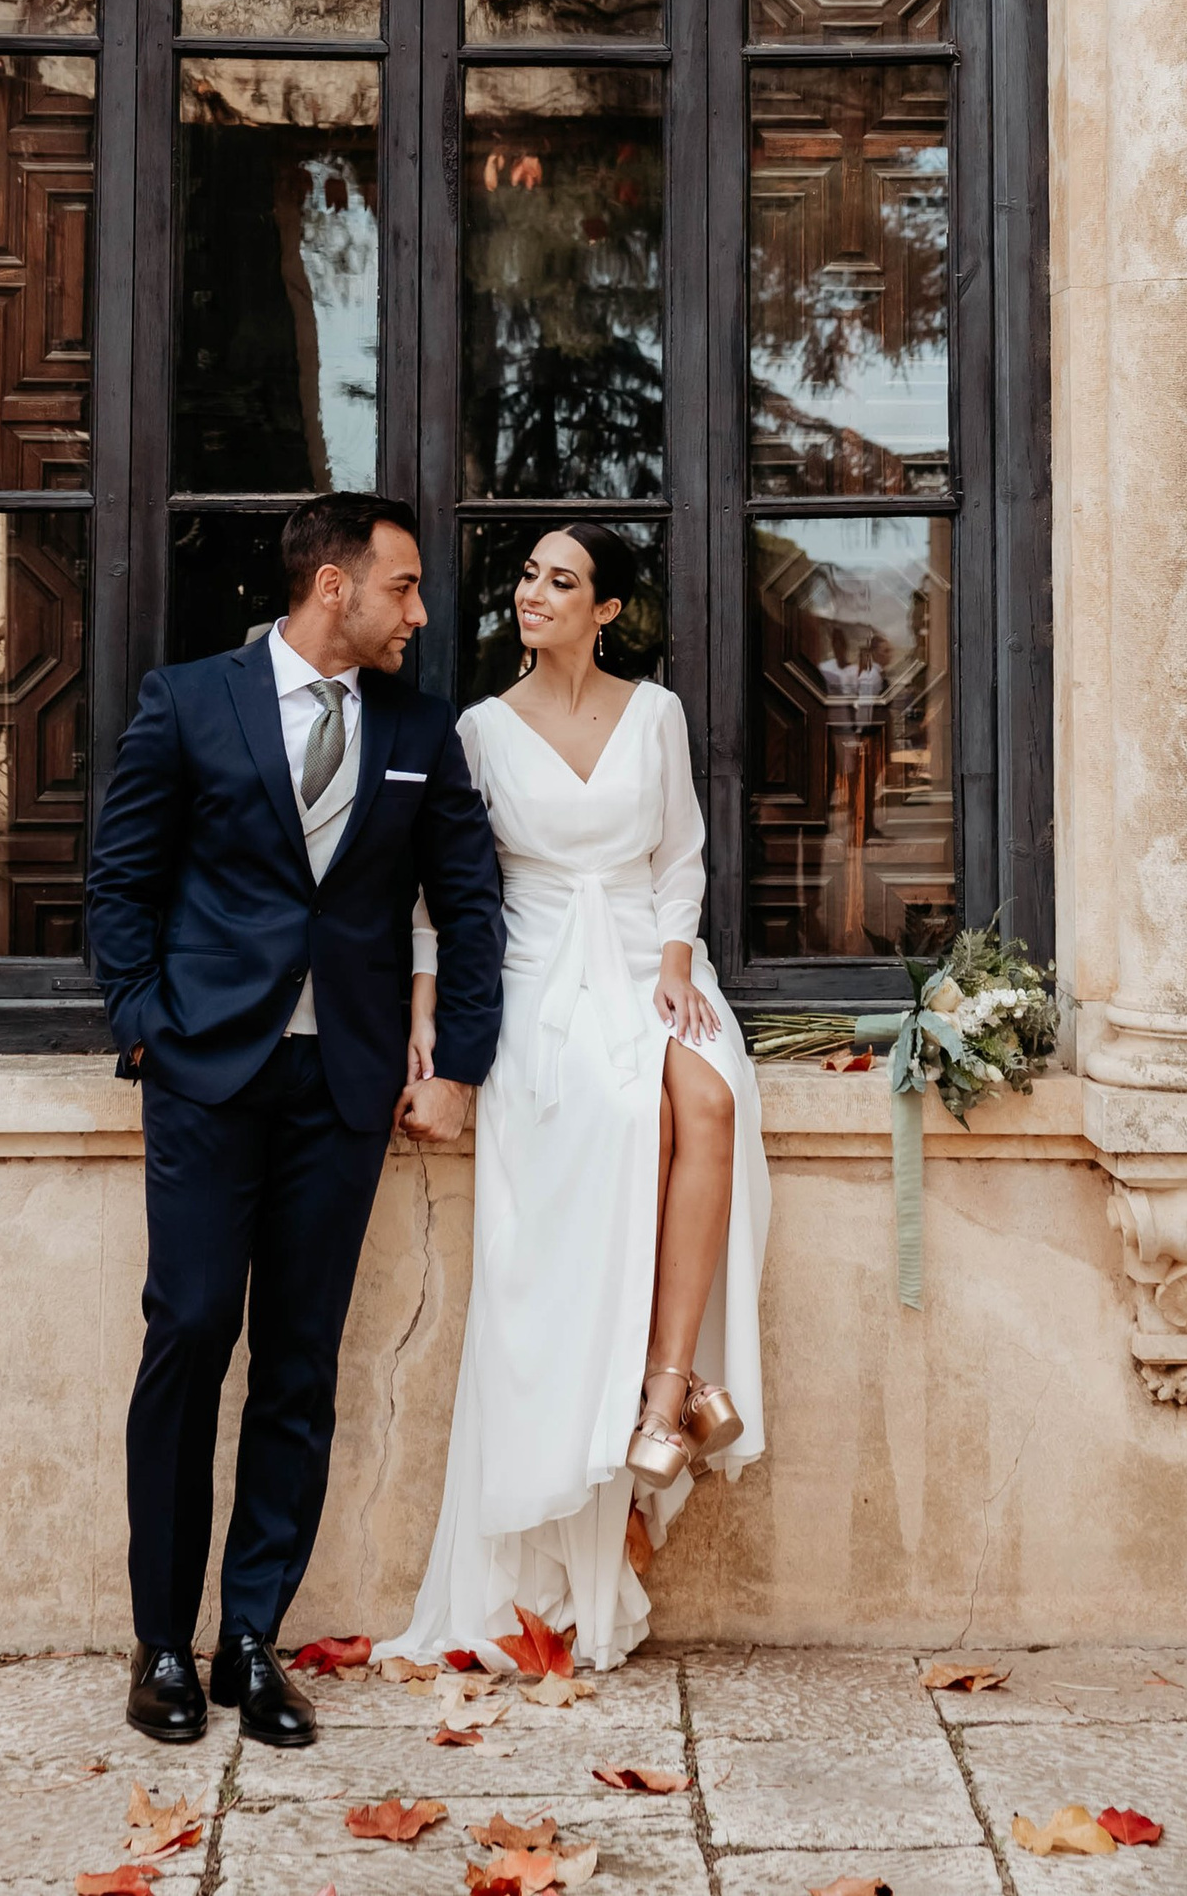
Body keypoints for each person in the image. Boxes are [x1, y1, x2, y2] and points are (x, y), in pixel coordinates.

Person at [87, 493, 506, 1752]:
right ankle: (161, 1640)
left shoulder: (421, 730)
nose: (419, 612)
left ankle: (250, 1641)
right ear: (336, 587)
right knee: (191, 1330)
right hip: (207, 1071)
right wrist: (144, 1024)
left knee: (299, 1364)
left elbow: (470, 906)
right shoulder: (188, 700)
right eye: (405, 587)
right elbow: (121, 876)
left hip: (346, 1087)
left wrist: (462, 1061)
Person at [385, 524, 769, 1673]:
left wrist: (675, 957)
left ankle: (665, 1394)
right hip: (539, 976)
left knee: (709, 1103)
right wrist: (426, 1012)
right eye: (527, 577)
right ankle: (634, 1423)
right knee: (624, 1125)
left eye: (562, 581)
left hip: (647, 962)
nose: (532, 594)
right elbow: (442, 887)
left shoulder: (652, 713)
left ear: (606, 610)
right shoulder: (479, 730)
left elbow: (682, 851)